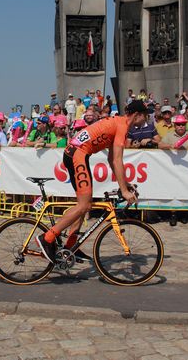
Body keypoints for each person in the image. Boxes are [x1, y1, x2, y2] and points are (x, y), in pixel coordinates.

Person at [35, 100, 144, 264]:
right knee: (84, 205)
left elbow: (111, 159)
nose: (147, 120)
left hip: (75, 153)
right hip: (78, 155)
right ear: (137, 115)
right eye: (146, 116)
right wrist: (125, 191)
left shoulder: (118, 123)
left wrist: (125, 183)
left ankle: (71, 247)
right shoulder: (122, 126)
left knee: (83, 204)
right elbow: (117, 160)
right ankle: (47, 238)